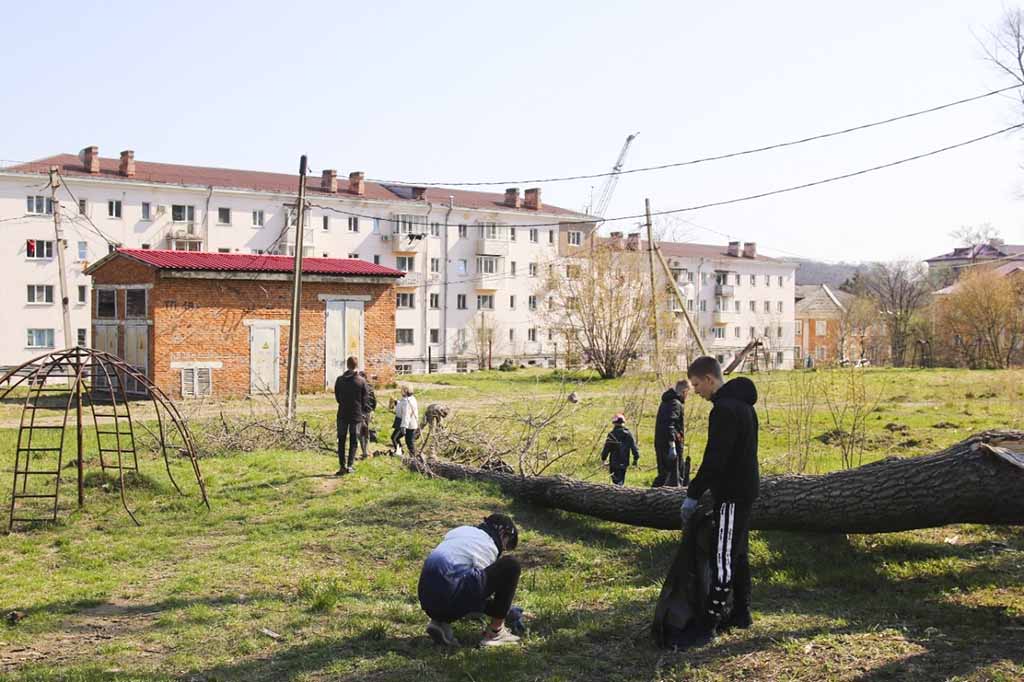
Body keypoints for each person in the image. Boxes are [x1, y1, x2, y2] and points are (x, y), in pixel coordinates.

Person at [680, 356, 759, 640]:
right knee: (738, 552)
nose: (697, 391)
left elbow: (716, 459)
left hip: (731, 494)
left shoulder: (724, 410)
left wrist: (693, 493)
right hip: (746, 490)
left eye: (697, 384)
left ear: (710, 379)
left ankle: (708, 625)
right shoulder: (745, 406)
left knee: (722, 555)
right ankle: (742, 612)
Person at [417, 513, 522, 647]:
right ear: (502, 533)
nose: (505, 548)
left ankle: (439, 623)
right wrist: (504, 610)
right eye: (508, 543)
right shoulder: (488, 544)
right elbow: (480, 594)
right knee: (511, 565)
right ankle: (496, 632)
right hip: (450, 597)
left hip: (426, 599)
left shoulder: (461, 531)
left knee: (451, 579)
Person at [333, 356, 369, 475]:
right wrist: (362, 411)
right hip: (356, 415)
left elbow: (337, 397)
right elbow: (365, 400)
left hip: (342, 414)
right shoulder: (361, 381)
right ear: (356, 366)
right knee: (353, 440)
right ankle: (350, 465)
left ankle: (342, 466)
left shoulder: (339, 380)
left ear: (347, 365)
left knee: (341, 440)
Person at [653, 379, 689, 487]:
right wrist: (672, 444)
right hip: (670, 445)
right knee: (674, 474)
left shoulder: (666, 402)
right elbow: (670, 424)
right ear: (685, 391)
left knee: (664, 473)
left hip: (661, 443)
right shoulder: (675, 404)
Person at [600, 413, 639, 486]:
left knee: (615, 481)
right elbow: (634, 447)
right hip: (624, 462)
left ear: (614, 423)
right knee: (621, 480)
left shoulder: (612, 434)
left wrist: (603, 458)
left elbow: (607, 448)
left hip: (614, 462)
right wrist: (635, 458)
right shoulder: (628, 434)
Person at [358, 371, 377, 459]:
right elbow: (374, 401)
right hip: (367, 411)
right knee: (365, 431)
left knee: (362, 432)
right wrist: (372, 410)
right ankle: (365, 450)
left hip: (362, 412)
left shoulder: (359, 387)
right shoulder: (369, 387)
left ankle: (364, 451)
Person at [398, 384, 419, 458]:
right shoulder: (411, 399)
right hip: (412, 424)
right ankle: (413, 456)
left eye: (402, 390)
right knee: (410, 441)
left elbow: (406, 416)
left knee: (409, 441)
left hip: (410, 425)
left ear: (405, 391)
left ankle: (413, 457)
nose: (400, 391)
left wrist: (404, 426)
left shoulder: (408, 402)